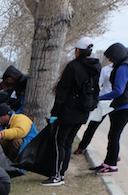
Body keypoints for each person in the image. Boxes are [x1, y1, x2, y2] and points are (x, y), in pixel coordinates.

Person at [42, 36, 101, 186]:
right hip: (82, 111)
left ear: (77, 51)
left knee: (59, 142)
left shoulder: (73, 67)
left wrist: (55, 113)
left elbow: (63, 92)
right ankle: (61, 172)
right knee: (68, 143)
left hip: (68, 111)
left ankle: (56, 175)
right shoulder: (95, 68)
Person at [90, 42, 128, 174]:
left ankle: (112, 165)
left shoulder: (123, 67)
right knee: (113, 134)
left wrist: (99, 98)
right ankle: (108, 162)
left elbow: (118, 91)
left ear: (116, 56)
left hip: (127, 104)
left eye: (111, 57)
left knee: (114, 134)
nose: (110, 60)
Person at [74, 62, 114, 155]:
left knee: (114, 132)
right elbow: (97, 82)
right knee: (93, 125)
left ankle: (113, 154)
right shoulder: (106, 69)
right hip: (104, 101)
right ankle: (82, 147)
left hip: (118, 102)